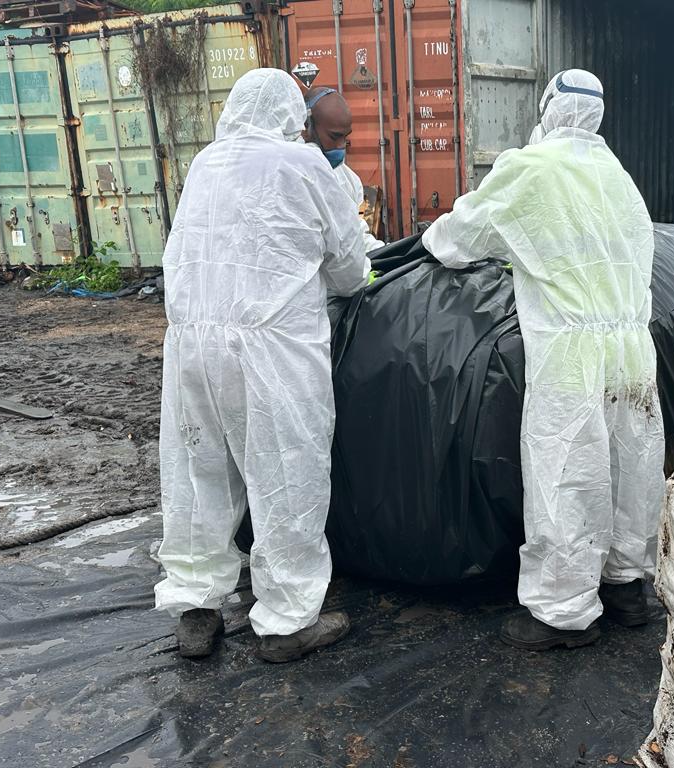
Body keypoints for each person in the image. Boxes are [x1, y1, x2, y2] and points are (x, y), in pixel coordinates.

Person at [422, 69, 666, 651]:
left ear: (549, 109)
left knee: (568, 472)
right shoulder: (619, 176)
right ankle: (628, 588)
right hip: (633, 348)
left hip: (570, 350)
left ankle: (562, 609)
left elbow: (460, 239)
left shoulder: (529, 168)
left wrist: (429, 241)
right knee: (630, 465)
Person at [153, 68, 371, 663]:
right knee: (285, 476)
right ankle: (285, 620)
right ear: (290, 117)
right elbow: (351, 269)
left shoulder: (206, 163)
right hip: (271, 348)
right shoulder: (302, 165)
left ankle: (196, 608)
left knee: (198, 473)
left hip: (192, 345)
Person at [304, 85, 386, 253]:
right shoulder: (288, 176)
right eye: (334, 136)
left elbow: (356, 235)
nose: (341, 146)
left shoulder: (347, 180)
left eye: (345, 137)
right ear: (307, 126)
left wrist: (387, 254)